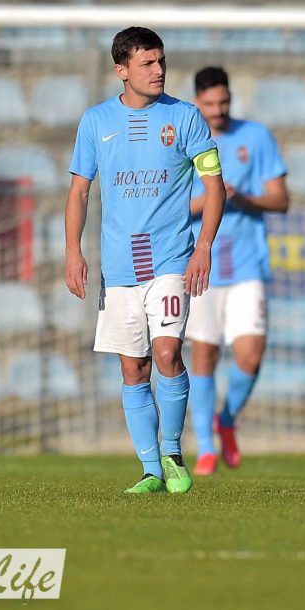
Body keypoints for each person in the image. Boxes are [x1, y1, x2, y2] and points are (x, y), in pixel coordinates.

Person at [64, 28, 226, 493]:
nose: (159, 71)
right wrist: (73, 250)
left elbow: (215, 187)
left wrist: (203, 247)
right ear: (122, 70)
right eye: (147, 63)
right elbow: (79, 191)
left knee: (168, 352)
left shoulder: (186, 117)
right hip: (119, 267)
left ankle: (172, 453)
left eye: (161, 61)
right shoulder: (96, 121)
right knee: (133, 368)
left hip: (171, 258)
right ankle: (151, 470)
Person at [186, 66, 290, 475]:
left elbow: (281, 199)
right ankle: (205, 449)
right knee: (204, 354)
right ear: (197, 102)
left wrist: (242, 197)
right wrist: (214, 198)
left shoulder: (256, 137)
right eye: (209, 104)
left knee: (250, 355)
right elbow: (170, 208)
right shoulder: (184, 141)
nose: (218, 110)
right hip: (201, 265)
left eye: (223, 102)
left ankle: (226, 418)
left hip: (247, 266)